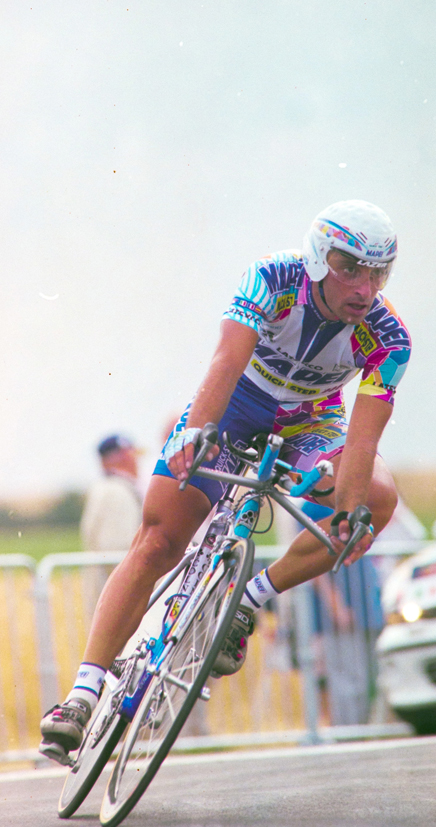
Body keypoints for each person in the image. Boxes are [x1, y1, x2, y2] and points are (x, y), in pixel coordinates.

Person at [39, 199, 411, 763]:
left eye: (378, 273)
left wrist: (350, 509)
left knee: (377, 500)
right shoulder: (274, 278)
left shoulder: (389, 337)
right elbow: (225, 363)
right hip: (236, 407)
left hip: (313, 425)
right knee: (158, 539)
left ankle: (251, 598)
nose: (364, 287)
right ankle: (82, 695)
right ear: (317, 258)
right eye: (349, 267)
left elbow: (361, 442)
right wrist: (196, 435)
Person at [80, 435, 143, 553]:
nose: (137, 462)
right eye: (133, 455)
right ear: (124, 457)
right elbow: (117, 546)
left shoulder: (109, 487)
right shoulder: (117, 492)